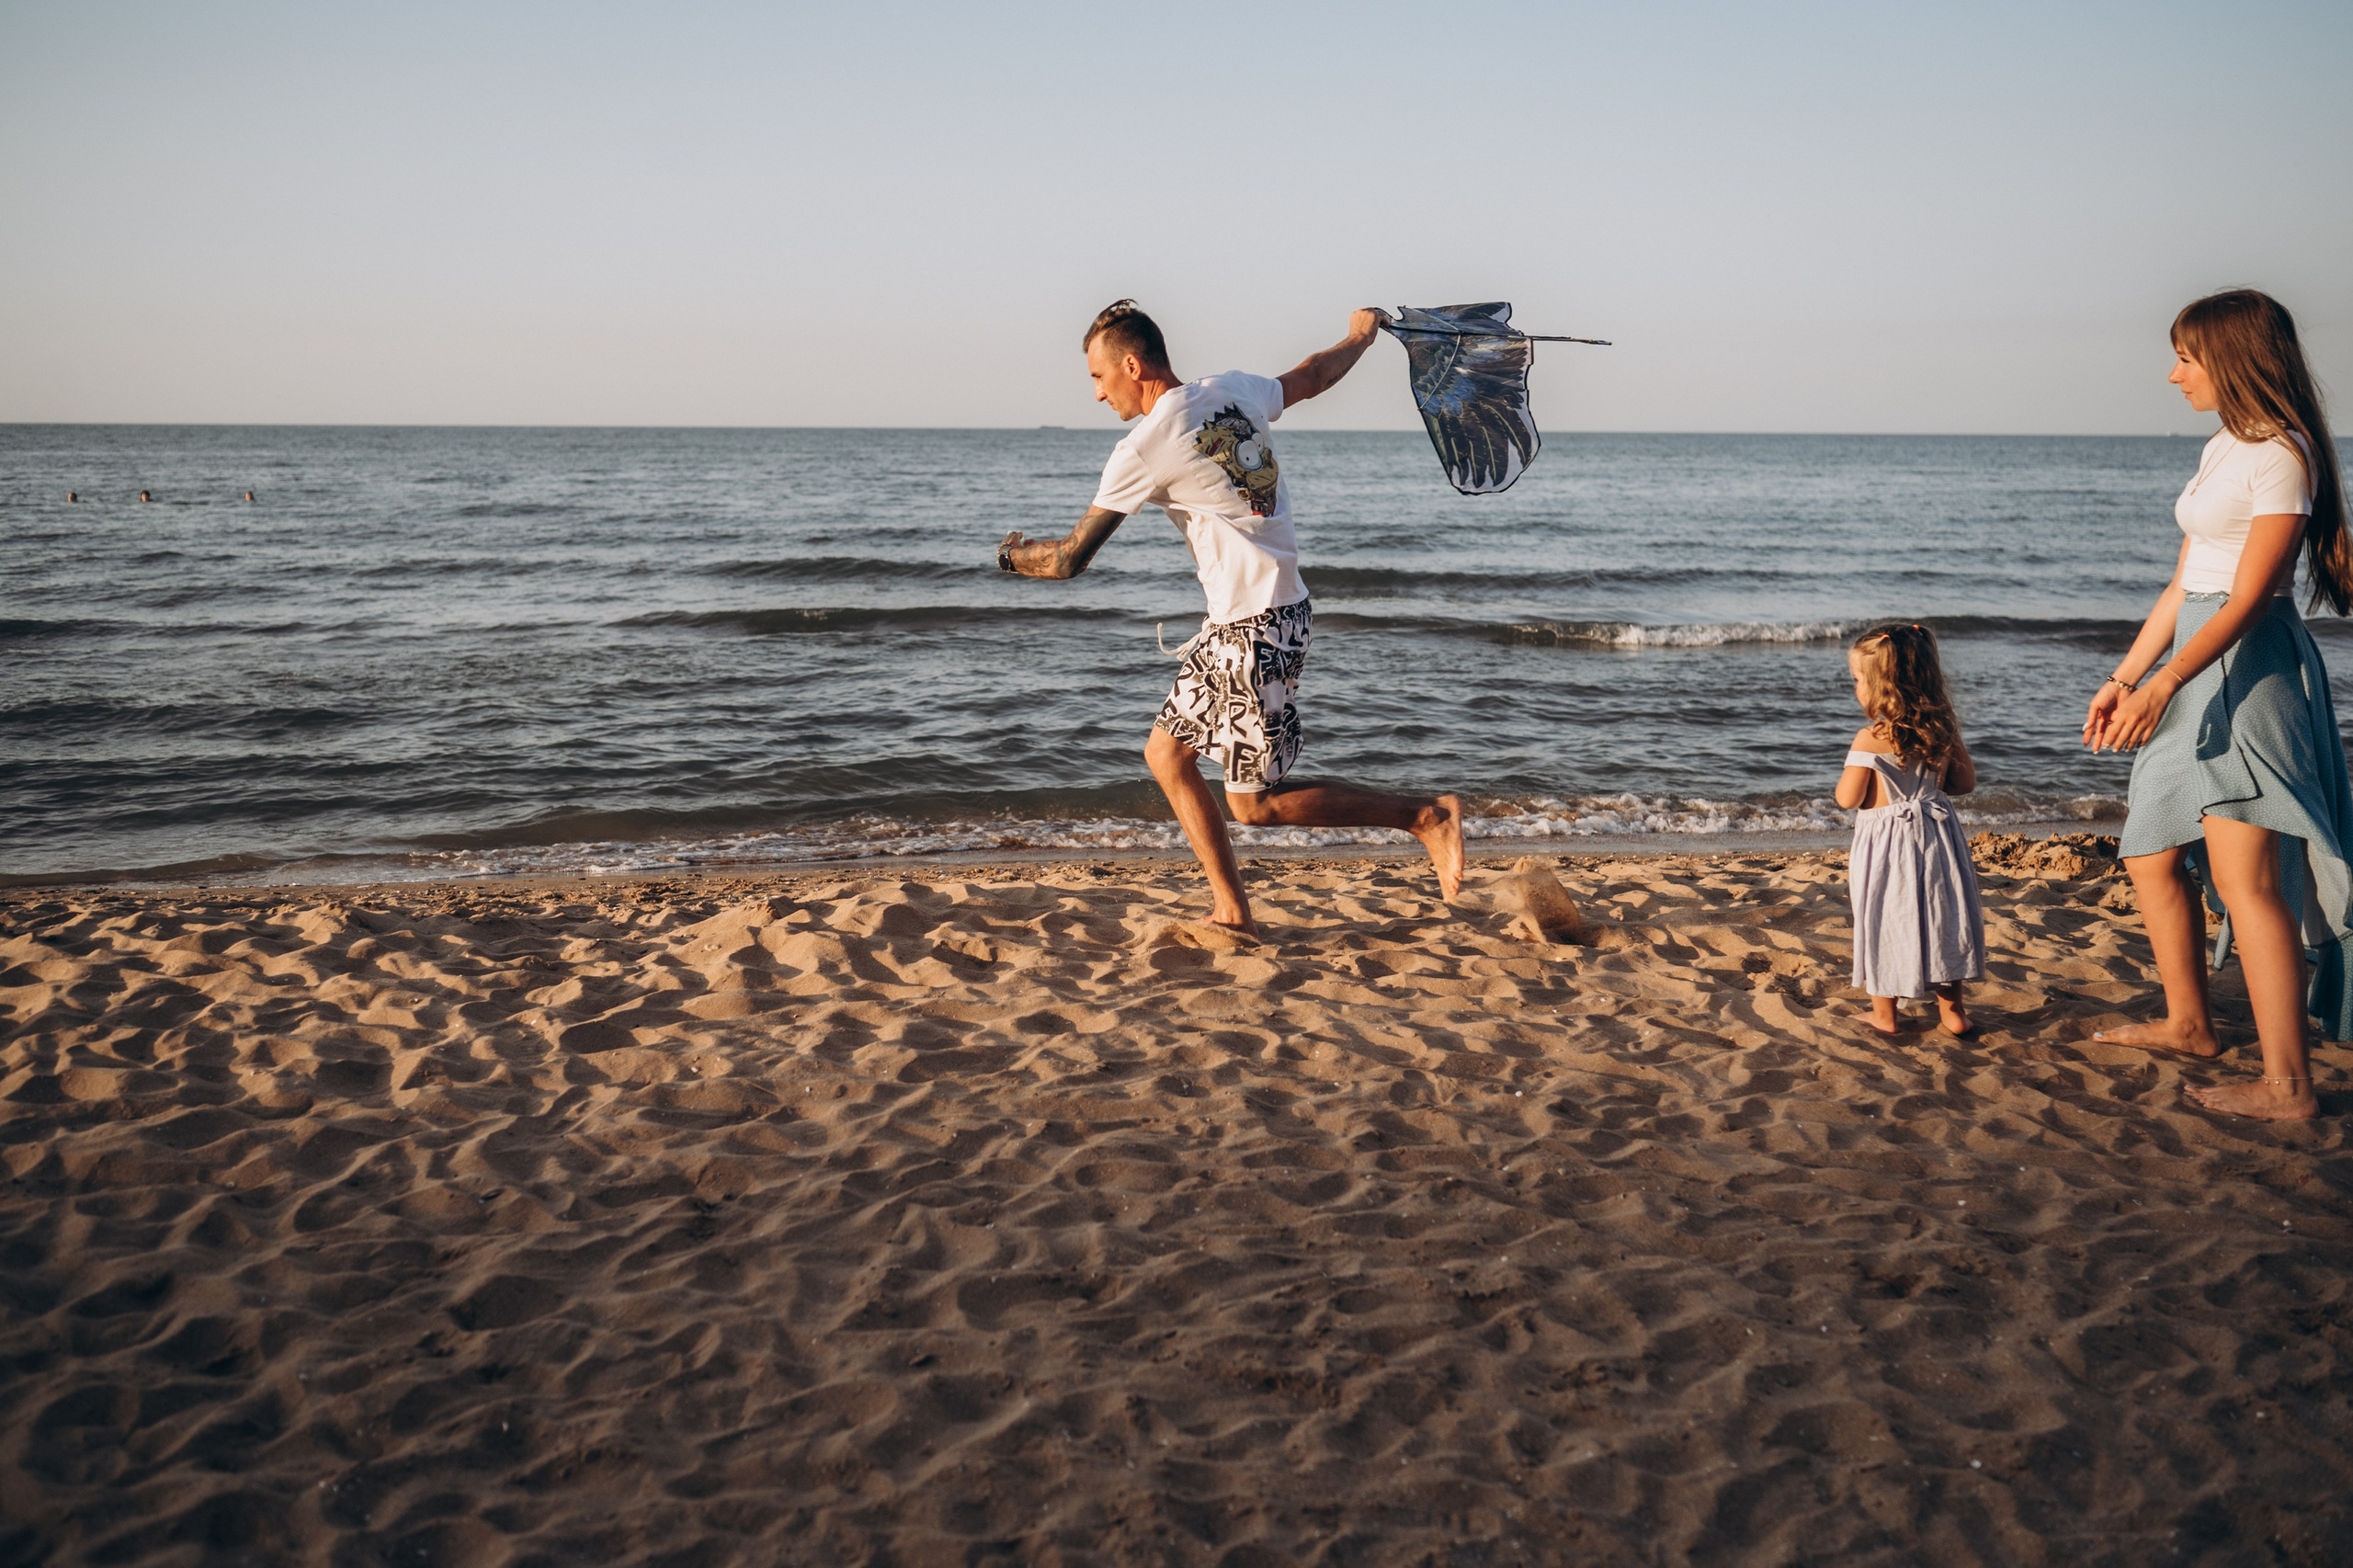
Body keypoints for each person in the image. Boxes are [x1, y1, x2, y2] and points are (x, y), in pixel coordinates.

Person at [997, 300, 1464, 938]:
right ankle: (1231, 909)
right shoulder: (1232, 390)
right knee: (1167, 757)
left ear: (1131, 366)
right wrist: (1360, 335)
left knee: (1255, 805)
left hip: (1256, 625)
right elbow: (1311, 377)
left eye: (1099, 379)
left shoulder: (1144, 445)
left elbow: (1070, 559)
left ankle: (1423, 816)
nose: (1099, 396)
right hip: (1252, 616)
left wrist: (1011, 557)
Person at [2085, 289, 2353, 1121]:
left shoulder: (2282, 453)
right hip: (2190, 659)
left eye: (2187, 358)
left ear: (2232, 359)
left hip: (2244, 667)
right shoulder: (2225, 446)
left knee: (2246, 881)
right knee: (2149, 853)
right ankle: (2191, 1024)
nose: (2173, 375)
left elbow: (2250, 596)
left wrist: (2166, 682)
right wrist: (2129, 675)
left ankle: (2289, 1086)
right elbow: (2185, 581)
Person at [1836, 623, 1984, 1036]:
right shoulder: (1942, 732)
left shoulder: (1869, 739)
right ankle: (1953, 1014)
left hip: (1886, 849)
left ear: (1881, 687)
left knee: (1883, 918)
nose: (1855, 688)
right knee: (1943, 916)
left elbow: (1848, 799)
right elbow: (1965, 784)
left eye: (1858, 680)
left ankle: (1885, 1016)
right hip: (1938, 840)